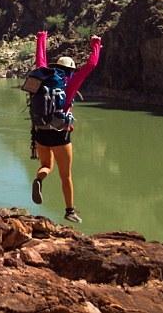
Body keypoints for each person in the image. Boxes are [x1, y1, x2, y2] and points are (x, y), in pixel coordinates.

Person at [30, 30, 102, 223]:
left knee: (46, 166)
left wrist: (41, 38)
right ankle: (69, 210)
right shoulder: (69, 85)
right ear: (70, 71)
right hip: (60, 135)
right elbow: (91, 65)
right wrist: (96, 45)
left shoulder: (44, 77)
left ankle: (39, 179)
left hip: (40, 132)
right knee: (65, 176)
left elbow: (40, 59)